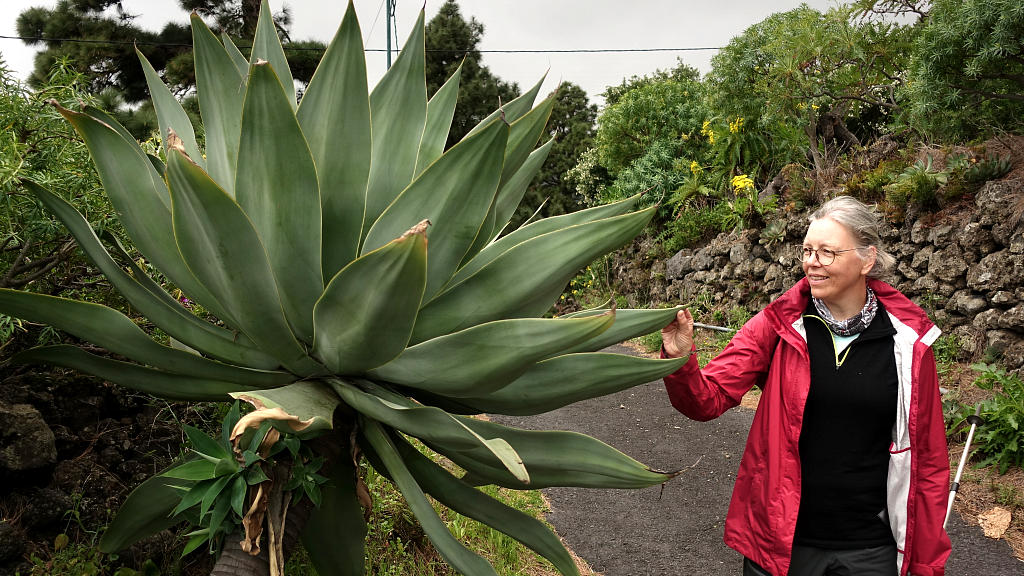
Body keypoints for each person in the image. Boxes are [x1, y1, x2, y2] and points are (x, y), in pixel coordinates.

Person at [661, 196, 951, 576]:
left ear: (867, 259)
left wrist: (927, 564)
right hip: (784, 545)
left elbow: (928, 461)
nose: (812, 262)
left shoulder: (908, 342)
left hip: (870, 549)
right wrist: (680, 358)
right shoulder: (779, 324)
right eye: (808, 250)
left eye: (827, 252)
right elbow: (707, 400)